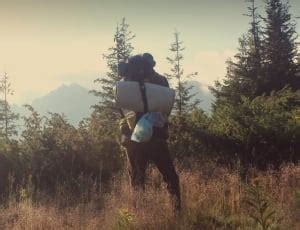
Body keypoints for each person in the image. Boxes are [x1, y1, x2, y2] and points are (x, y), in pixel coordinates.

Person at [118, 53, 181, 210]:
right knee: (170, 177)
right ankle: (177, 212)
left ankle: (140, 216)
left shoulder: (124, 84)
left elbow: (121, 110)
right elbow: (167, 107)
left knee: (137, 180)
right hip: (157, 136)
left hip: (133, 139)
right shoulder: (159, 80)